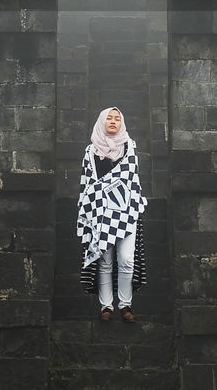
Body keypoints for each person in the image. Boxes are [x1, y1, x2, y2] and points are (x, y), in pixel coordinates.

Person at [77, 107, 148, 323]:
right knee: (105, 261)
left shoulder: (130, 148)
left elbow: (131, 180)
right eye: (109, 118)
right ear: (102, 121)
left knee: (126, 259)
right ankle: (106, 306)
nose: (113, 121)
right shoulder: (91, 151)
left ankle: (125, 304)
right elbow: (88, 183)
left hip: (126, 211)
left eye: (117, 118)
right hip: (100, 212)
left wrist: (111, 190)